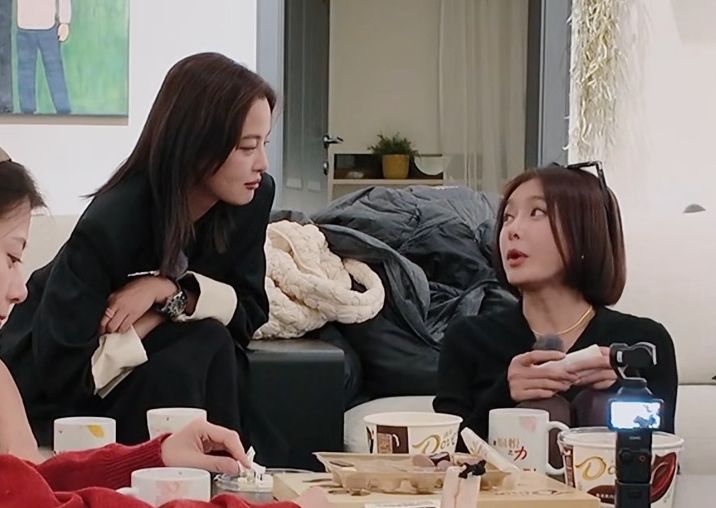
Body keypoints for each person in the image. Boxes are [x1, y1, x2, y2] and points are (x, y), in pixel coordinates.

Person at [0, 149, 330, 508]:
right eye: (11, 258)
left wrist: (155, 455)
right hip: (67, 383)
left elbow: (36, 478)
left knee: (208, 343)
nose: (20, 290)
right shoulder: (113, 222)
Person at [0, 52, 275, 447]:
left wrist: (169, 294)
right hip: (56, 377)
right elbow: (65, 374)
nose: (262, 163)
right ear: (196, 144)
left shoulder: (252, 198)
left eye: (265, 143)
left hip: (152, 358)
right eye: (247, 148)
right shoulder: (114, 221)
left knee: (210, 343)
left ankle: (226, 469)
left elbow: (249, 312)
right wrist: (153, 319)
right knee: (193, 353)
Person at [434, 163, 678, 446]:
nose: (512, 230)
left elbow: (664, 456)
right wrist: (504, 394)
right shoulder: (468, 338)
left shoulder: (643, 343)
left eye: (537, 212)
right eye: (508, 217)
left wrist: (629, 384)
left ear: (585, 232)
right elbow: (445, 455)